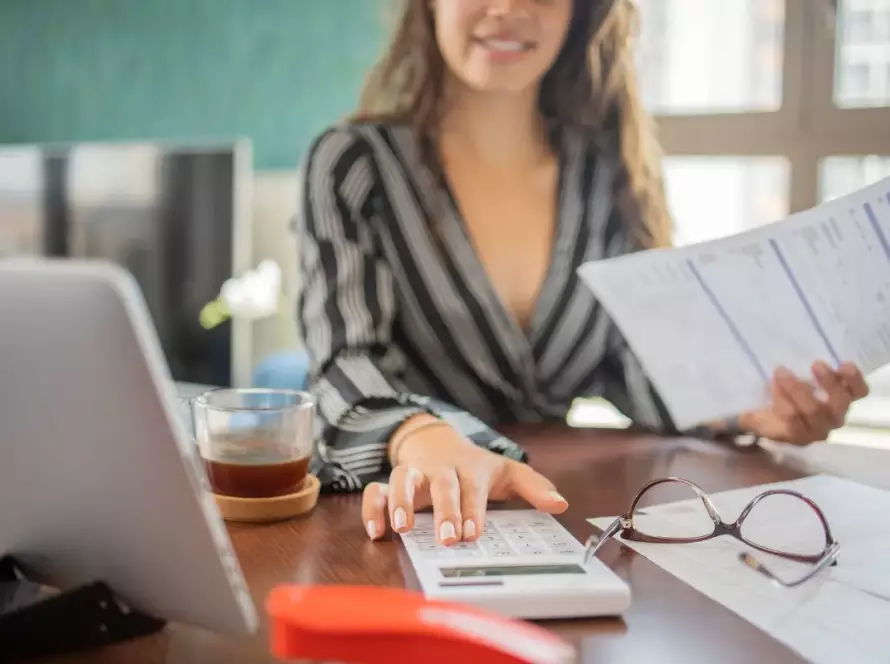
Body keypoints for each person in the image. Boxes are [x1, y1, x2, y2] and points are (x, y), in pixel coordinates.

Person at [294, 0, 869, 546]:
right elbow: (343, 364)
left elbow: (630, 365)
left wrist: (747, 407)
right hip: (406, 520)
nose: (509, 8)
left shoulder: (605, 171)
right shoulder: (351, 165)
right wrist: (421, 435)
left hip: (555, 519)